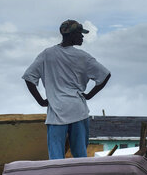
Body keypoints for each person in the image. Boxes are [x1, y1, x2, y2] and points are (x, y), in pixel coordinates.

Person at [22, 19, 111, 159]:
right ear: (71, 35)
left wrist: (40, 101)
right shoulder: (83, 57)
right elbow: (105, 75)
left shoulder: (47, 54)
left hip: (56, 112)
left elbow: (29, 77)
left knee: (56, 157)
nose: (82, 37)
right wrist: (89, 95)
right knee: (80, 155)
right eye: (80, 34)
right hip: (78, 110)